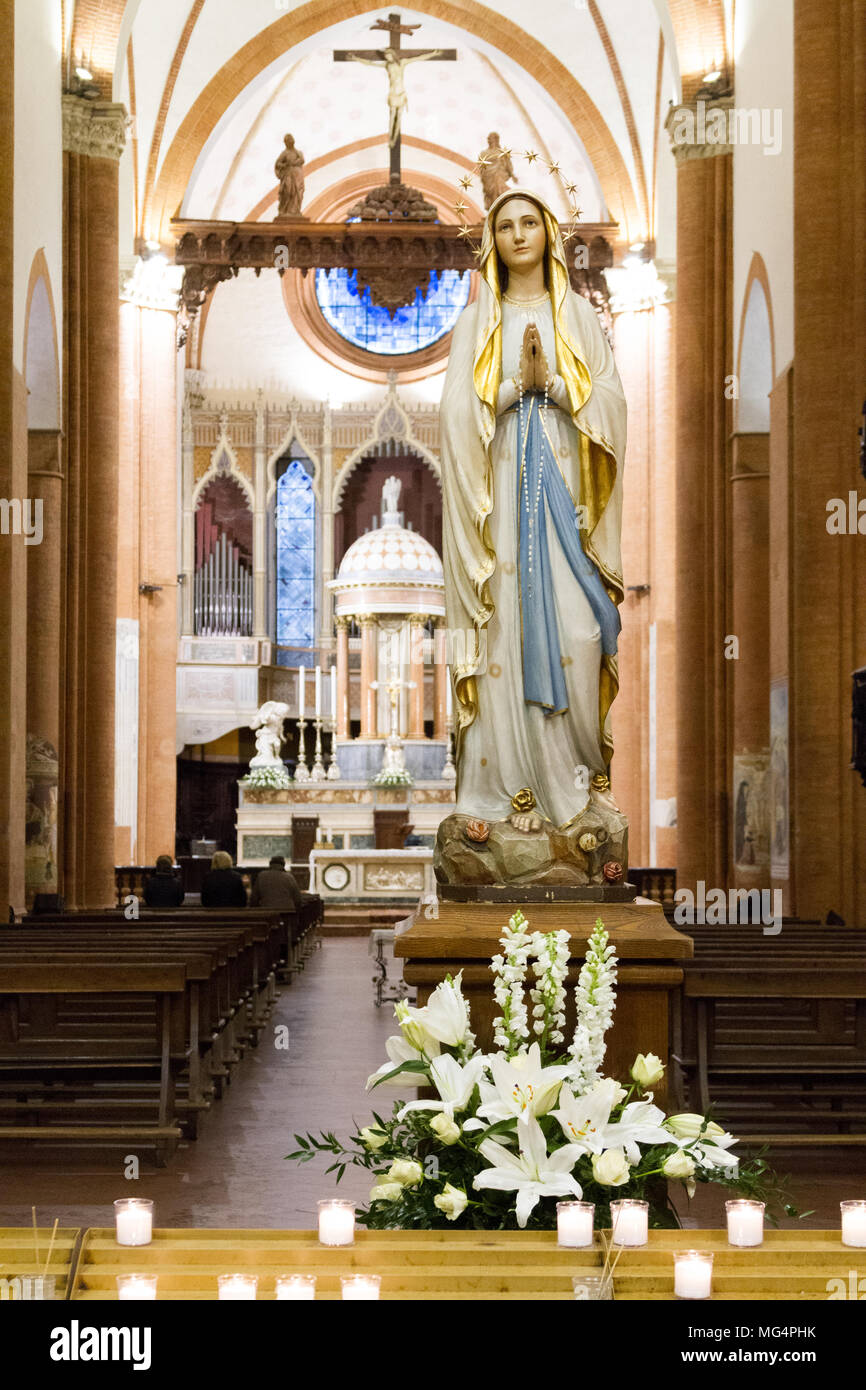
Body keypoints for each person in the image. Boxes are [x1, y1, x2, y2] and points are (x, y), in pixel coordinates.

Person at [439, 188, 627, 833]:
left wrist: (557, 386)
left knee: (582, 629)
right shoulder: (474, 323)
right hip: (500, 507)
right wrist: (517, 387)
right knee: (504, 631)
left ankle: (575, 784)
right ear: (491, 241)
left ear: (548, 232)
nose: (519, 235)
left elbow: (612, 402)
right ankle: (505, 790)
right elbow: (454, 414)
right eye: (505, 226)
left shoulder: (578, 317)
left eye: (529, 223)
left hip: (567, 497)